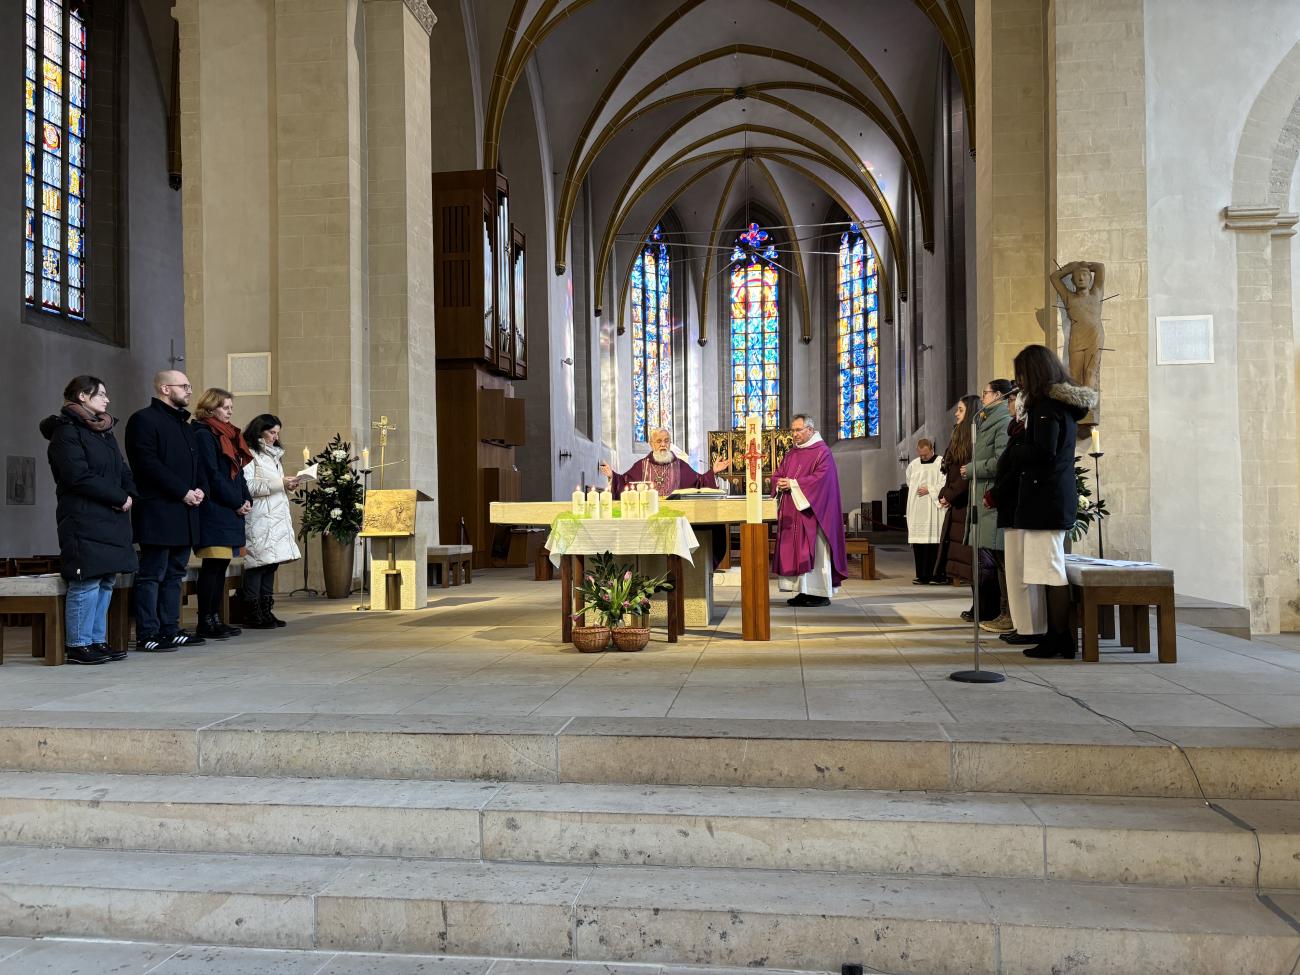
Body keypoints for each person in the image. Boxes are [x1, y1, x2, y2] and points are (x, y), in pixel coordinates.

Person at [1002, 344, 1096, 659]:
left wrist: (1015, 449)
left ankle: (1060, 639)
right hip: (1050, 497)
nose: (1019, 383)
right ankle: (1057, 637)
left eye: (1021, 375)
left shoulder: (1046, 407)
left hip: (1046, 500)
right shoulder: (1056, 406)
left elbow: (1043, 452)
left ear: (1033, 373)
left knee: (1051, 570)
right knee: (1046, 569)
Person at [39, 376, 137, 665]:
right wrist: (118, 497)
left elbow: (122, 468)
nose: (107, 400)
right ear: (83, 396)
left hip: (112, 516)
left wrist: (130, 493)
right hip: (83, 516)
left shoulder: (104, 432)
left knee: (106, 579)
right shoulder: (65, 433)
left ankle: (97, 640)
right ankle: (78, 645)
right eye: (101, 394)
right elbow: (77, 476)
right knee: (86, 580)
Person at [124, 370, 207, 652]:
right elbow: (146, 464)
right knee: (152, 574)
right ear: (164, 389)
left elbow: (197, 465)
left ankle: (170, 628)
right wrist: (182, 491)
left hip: (184, 512)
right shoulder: (143, 420)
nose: (189, 391)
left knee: (174, 574)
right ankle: (148, 632)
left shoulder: (185, 426)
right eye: (184, 386)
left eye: (189, 385)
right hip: (158, 510)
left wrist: (199, 489)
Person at [192, 388, 254, 640]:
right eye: (225, 407)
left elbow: (236, 471)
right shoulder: (204, 433)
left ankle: (216, 618)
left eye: (231, 407)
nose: (230, 411)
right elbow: (212, 474)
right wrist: (236, 502)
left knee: (221, 567)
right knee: (212, 567)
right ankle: (206, 620)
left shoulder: (228, 435)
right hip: (214, 509)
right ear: (210, 408)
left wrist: (246, 498)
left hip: (229, 509)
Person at [771, 414, 848, 607]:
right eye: (793, 430)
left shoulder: (823, 452)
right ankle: (802, 591)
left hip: (814, 514)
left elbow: (822, 481)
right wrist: (779, 483)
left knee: (816, 552)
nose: (794, 434)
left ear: (810, 430)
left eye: (798, 430)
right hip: (792, 513)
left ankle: (819, 593)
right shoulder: (792, 453)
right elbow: (779, 473)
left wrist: (794, 484)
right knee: (795, 552)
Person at [241, 414, 302, 628]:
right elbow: (249, 487)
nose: (275, 438)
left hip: (276, 515)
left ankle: (267, 611)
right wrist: (280, 483)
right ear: (259, 430)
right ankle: (252, 612)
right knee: (257, 564)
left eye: (277, 433)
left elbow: (274, 485)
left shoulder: (274, 455)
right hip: (259, 516)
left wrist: (288, 485)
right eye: (272, 432)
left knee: (271, 564)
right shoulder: (249, 454)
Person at [967, 380, 1014, 632]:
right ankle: (998, 611)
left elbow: (1000, 462)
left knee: (1001, 559)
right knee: (994, 558)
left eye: (985, 393)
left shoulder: (1003, 422)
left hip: (993, 498)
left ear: (998, 395)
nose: (982, 397)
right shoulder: (987, 420)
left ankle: (1006, 613)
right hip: (984, 497)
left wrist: (972, 469)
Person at [934, 395, 981, 604]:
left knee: (971, 560)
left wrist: (949, 495)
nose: (956, 413)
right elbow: (952, 472)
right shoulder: (959, 436)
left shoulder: (975, 437)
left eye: (960, 410)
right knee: (964, 561)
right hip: (958, 505)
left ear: (970, 412)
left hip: (967, 505)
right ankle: (976, 605)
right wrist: (945, 493)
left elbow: (966, 473)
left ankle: (982, 607)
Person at [599, 428, 730, 495]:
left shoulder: (680, 465)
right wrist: (612, 475)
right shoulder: (641, 466)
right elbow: (624, 482)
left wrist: (713, 471)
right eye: (659, 441)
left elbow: (699, 483)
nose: (663, 444)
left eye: (666, 441)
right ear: (651, 444)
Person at [904, 438, 945, 584]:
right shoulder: (913, 465)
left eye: (926, 455)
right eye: (921, 455)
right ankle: (922, 575)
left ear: (932, 449)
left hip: (934, 509)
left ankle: (936, 576)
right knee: (919, 544)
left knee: (934, 544)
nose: (923, 457)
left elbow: (945, 483)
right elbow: (910, 482)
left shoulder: (941, 462)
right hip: (918, 509)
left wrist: (930, 489)